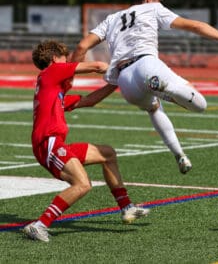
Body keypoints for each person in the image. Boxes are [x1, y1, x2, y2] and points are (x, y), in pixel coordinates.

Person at [71, 0, 218, 175]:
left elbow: (81, 47)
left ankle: (179, 154)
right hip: (146, 65)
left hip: (125, 83)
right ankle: (163, 87)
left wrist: (68, 78)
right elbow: (194, 26)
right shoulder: (153, 7)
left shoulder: (112, 18)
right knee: (200, 105)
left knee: (153, 108)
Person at [23, 40, 149, 242]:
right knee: (82, 184)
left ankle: (127, 208)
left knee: (107, 154)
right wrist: (126, 70)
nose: (68, 65)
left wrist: (116, 82)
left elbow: (90, 100)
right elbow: (97, 66)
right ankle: (39, 225)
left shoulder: (55, 90)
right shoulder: (52, 72)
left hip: (54, 143)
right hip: (48, 143)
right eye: (65, 59)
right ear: (55, 59)